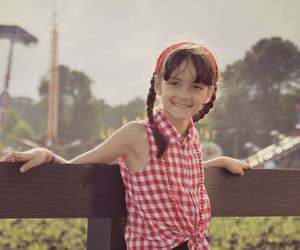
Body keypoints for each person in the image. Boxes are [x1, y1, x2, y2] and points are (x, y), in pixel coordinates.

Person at [0, 42, 251, 249]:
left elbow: (180, 180)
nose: (184, 94)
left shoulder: (190, 138)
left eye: (196, 87)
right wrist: (44, 155)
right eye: (175, 83)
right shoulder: (137, 134)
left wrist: (220, 162)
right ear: (158, 85)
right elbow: (75, 169)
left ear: (208, 94)